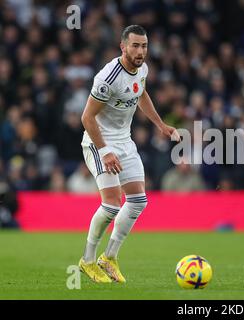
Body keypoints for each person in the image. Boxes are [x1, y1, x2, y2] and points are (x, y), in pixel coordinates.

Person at [78, 25, 180, 283]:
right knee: (112, 205)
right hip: (98, 141)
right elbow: (87, 117)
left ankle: (109, 257)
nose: (140, 51)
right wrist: (104, 151)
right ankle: (88, 261)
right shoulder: (108, 78)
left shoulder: (142, 69)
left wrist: (161, 125)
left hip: (124, 141)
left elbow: (141, 93)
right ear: (122, 47)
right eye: (135, 45)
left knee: (137, 201)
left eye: (144, 46)